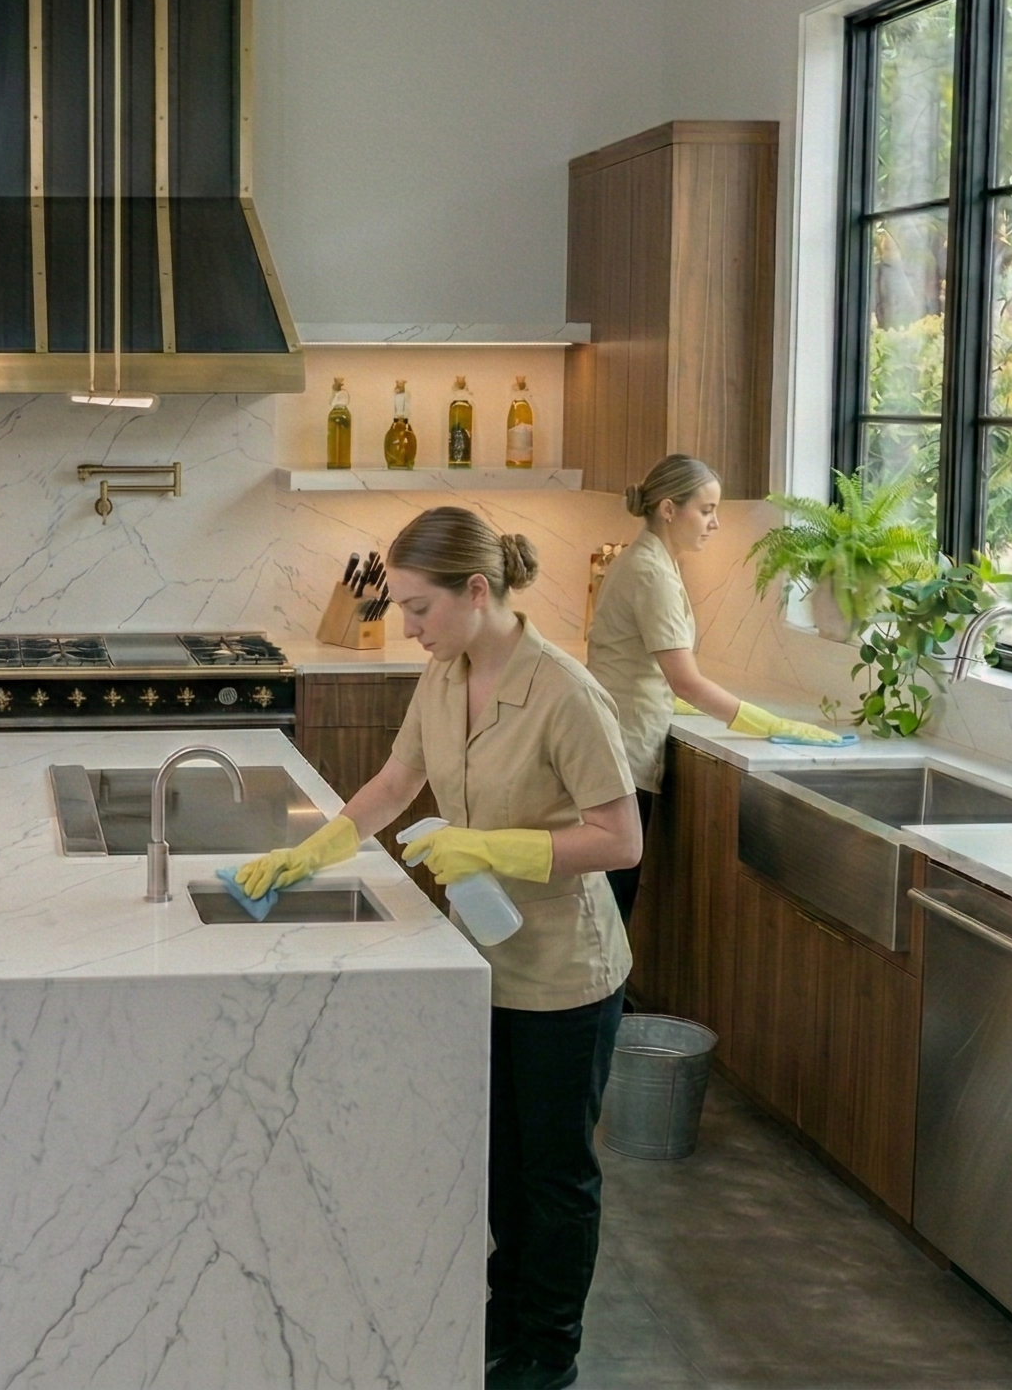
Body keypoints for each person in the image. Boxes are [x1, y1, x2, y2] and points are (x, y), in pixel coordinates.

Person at [232, 506, 639, 1390]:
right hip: (480, 960)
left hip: (566, 973)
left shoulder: (566, 693)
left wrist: (500, 847)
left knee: (555, 1175)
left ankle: (550, 1351)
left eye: (417, 608)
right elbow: (397, 780)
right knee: (496, 1159)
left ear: (477, 591)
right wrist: (317, 846)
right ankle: (501, 1318)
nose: (405, 626)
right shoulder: (446, 675)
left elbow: (621, 839)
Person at [587, 454, 841, 922]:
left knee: (607, 906)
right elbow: (685, 680)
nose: (715, 523)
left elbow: (648, 670)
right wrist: (772, 724)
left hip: (614, 743)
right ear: (668, 509)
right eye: (706, 510)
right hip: (619, 753)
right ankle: (605, 998)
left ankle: (607, 996)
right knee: (609, 910)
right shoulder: (651, 573)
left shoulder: (648, 561)